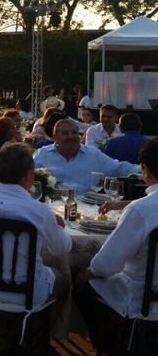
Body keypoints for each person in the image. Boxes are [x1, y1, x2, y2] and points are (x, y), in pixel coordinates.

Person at [73, 139, 158, 353]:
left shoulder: (141, 210)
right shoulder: (141, 208)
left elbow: (108, 262)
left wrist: (89, 272)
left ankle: (110, 347)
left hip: (144, 297)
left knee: (81, 283)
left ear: (144, 169)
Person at [0, 143, 71, 307]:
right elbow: (60, 248)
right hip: (26, 296)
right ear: (28, 175)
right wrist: (59, 227)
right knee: (64, 280)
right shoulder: (38, 210)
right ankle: (55, 332)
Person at [33, 119, 139, 194]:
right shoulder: (42, 155)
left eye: (75, 133)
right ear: (55, 137)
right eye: (65, 133)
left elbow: (118, 168)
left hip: (85, 210)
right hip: (50, 208)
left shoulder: (93, 155)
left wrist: (144, 170)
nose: (71, 136)